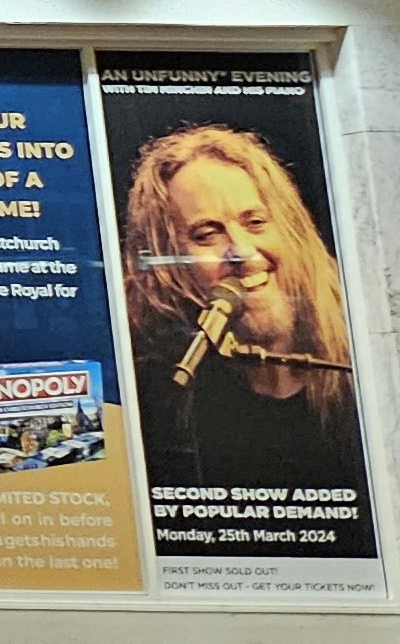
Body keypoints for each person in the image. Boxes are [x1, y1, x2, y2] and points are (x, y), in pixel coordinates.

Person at [120, 122, 364, 495]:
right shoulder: (163, 394)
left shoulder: (360, 351)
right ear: (168, 265)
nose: (242, 252)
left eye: (255, 222)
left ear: (290, 229)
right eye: (206, 235)